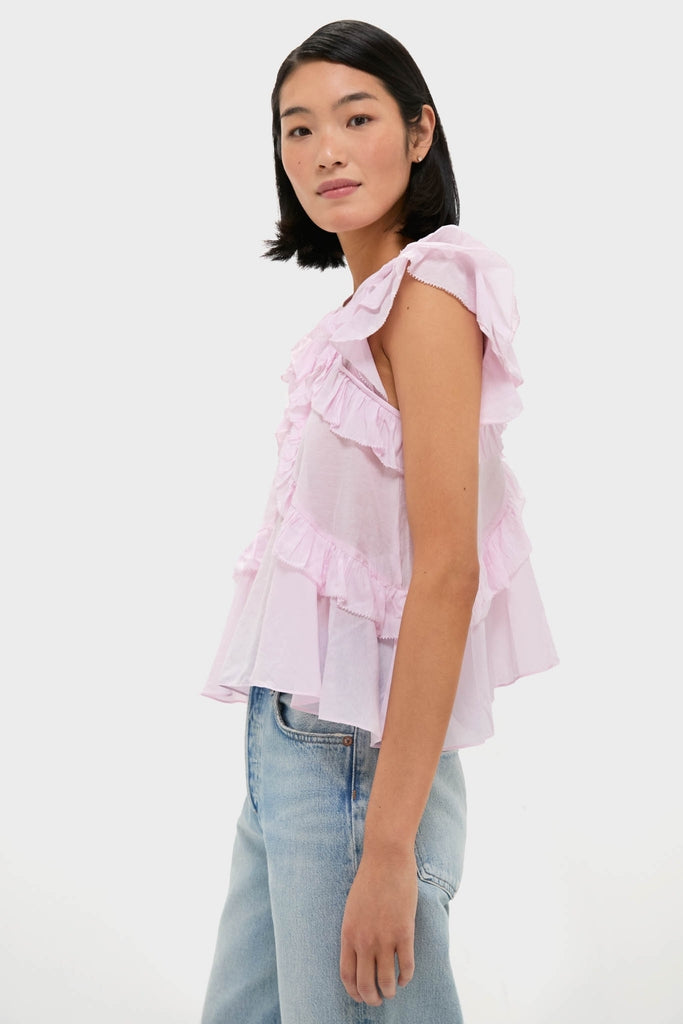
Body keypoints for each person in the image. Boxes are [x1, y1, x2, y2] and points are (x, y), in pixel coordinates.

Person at [199, 19, 557, 1024]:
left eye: (354, 117)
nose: (323, 151)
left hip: (358, 762)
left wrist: (389, 848)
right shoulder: (364, 309)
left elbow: (445, 572)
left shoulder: (429, 293)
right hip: (289, 741)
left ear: (416, 132)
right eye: (296, 128)